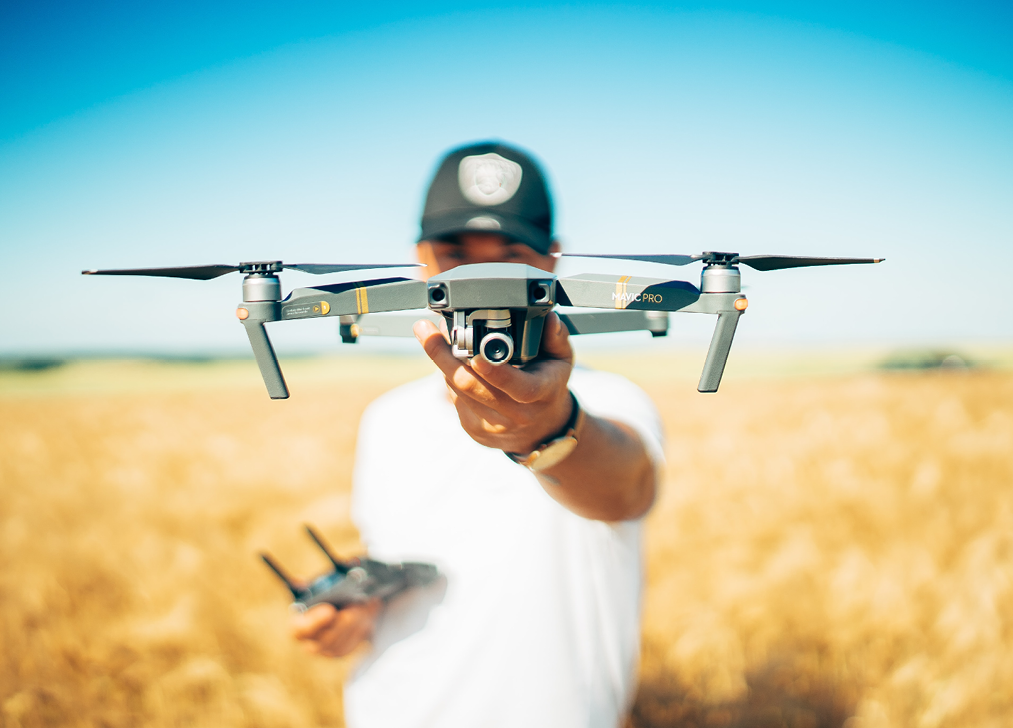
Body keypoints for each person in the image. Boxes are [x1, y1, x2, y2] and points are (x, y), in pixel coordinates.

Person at [292, 142, 664, 728]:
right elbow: (400, 550)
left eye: (508, 257)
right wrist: (351, 607)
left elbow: (623, 490)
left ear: (550, 261)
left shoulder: (613, 402)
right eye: (457, 256)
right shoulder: (386, 419)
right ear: (422, 258)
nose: (482, 280)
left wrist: (551, 430)